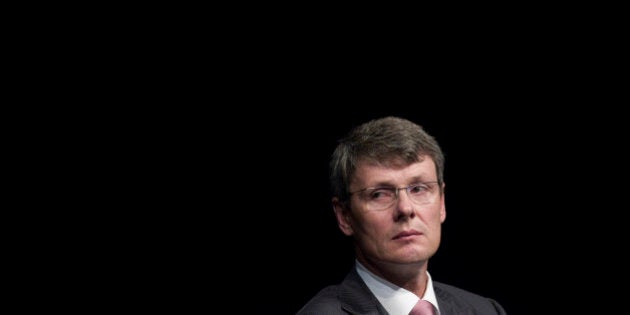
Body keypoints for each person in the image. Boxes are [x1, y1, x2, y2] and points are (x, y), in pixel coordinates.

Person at [296, 116, 507, 315]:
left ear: (442, 203)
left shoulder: (485, 310)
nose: (405, 209)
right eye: (379, 194)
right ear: (345, 216)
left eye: (419, 189)